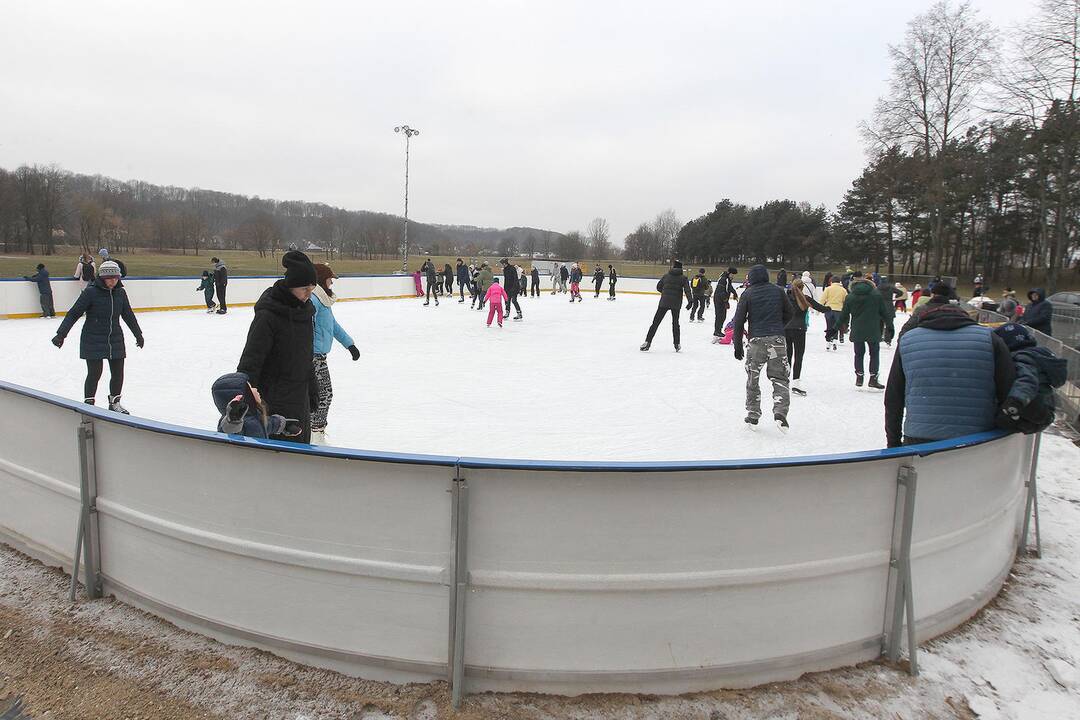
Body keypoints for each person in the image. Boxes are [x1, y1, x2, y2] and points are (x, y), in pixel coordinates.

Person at [884, 298, 1016, 447]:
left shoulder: (908, 340)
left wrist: (893, 443)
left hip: (920, 436)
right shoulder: (989, 338)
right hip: (977, 437)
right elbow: (1007, 388)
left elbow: (893, 397)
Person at [236, 251, 319, 444]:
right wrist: (246, 398)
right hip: (273, 403)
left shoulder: (305, 313)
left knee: (299, 460)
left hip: (300, 401)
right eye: (304, 288)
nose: (309, 294)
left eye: (312, 288)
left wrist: (312, 388)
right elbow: (251, 361)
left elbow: (306, 358)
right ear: (290, 286)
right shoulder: (268, 315)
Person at [51, 260, 143, 413]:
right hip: (92, 338)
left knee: (118, 372)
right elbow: (74, 313)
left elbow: (128, 315)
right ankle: (89, 403)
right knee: (95, 372)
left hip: (115, 337)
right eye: (110, 278)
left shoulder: (120, 292)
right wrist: (61, 334)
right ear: (102, 277)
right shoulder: (91, 292)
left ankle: (114, 403)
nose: (113, 281)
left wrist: (138, 334)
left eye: (116, 277)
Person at [731, 264, 794, 430]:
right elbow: (790, 312)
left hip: (756, 341)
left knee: (753, 377)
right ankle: (780, 411)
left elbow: (738, 321)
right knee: (780, 377)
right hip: (777, 341)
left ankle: (753, 414)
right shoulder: (778, 290)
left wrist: (737, 345)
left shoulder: (748, 294)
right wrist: (779, 327)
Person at [310, 263, 360, 445]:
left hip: (320, 356)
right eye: (330, 279)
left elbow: (333, 325)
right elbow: (306, 326)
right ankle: (315, 433)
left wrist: (350, 345)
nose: (332, 282)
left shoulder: (323, 299)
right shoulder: (314, 299)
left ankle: (314, 430)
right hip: (313, 357)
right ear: (323, 278)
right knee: (324, 394)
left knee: (319, 394)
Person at [994, 323, 1067, 434]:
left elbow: (1027, 380)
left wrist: (1014, 403)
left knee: (1000, 421)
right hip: (1044, 407)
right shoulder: (1039, 355)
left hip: (1031, 408)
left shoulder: (1022, 358)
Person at [837, 273, 892, 389]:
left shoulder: (851, 296)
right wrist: (890, 326)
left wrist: (835, 328)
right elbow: (884, 313)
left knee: (858, 354)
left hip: (858, 329)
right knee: (874, 354)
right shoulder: (876, 295)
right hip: (873, 329)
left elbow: (844, 315)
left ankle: (859, 376)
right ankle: (873, 378)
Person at [212, 372, 302, 439]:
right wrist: (233, 420)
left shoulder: (256, 416)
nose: (255, 388)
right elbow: (229, 432)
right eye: (250, 387)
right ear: (245, 395)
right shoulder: (235, 421)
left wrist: (284, 425)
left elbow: (269, 424)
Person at [786, 279, 830, 396]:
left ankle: (785, 381)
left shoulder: (785, 298)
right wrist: (830, 307)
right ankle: (795, 382)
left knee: (787, 355)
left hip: (786, 329)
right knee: (798, 356)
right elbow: (821, 308)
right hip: (799, 329)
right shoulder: (805, 299)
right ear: (802, 288)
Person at [640, 260, 693, 352]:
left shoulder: (666, 276)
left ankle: (647, 342)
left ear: (673, 267)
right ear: (681, 268)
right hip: (676, 303)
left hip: (664, 302)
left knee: (655, 323)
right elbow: (687, 290)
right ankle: (677, 344)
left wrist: (665, 293)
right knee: (675, 323)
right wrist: (690, 301)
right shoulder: (683, 278)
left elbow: (658, 287)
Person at [820, 275, 848, 351]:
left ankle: (828, 343)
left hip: (828, 309)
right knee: (836, 327)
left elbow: (823, 299)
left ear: (831, 281)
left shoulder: (828, 289)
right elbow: (846, 301)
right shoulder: (843, 290)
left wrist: (819, 308)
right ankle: (835, 341)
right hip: (839, 310)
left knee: (829, 326)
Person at [712, 266, 739, 343]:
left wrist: (734, 293)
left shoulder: (727, 279)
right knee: (720, 316)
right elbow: (721, 291)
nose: (733, 276)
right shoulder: (724, 279)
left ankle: (718, 331)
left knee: (723, 316)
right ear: (730, 273)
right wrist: (725, 301)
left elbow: (729, 287)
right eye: (733, 274)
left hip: (721, 299)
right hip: (719, 299)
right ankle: (717, 331)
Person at [876, 278, 899, 346]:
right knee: (889, 324)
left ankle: (878, 337)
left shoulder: (878, 288)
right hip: (889, 307)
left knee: (879, 324)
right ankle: (888, 339)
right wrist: (895, 297)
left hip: (880, 308)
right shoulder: (891, 287)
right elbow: (900, 292)